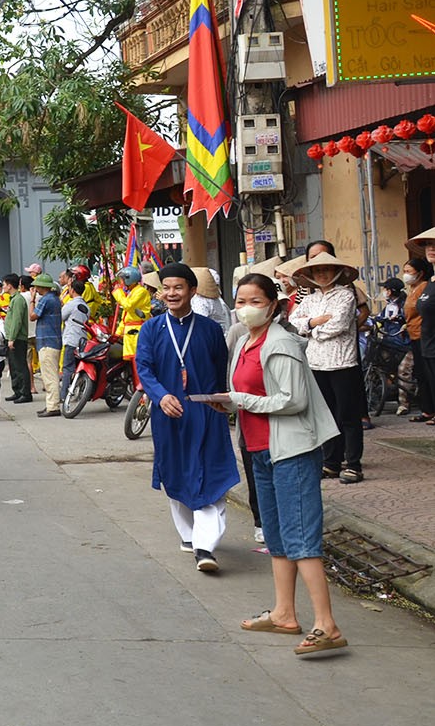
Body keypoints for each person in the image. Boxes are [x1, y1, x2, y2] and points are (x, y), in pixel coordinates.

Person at [221, 273, 348, 657]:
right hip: (260, 449)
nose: (246, 307)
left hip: (290, 450)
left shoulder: (282, 344)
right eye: (241, 299)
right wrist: (226, 401)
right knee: (275, 535)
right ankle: (284, 613)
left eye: (255, 300)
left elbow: (293, 400)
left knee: (301, 537)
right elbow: (246, 393)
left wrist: (241, 400)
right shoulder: (243, 341)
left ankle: (327, 624)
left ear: (273, 305)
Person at [134, 262, 238, 573]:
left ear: (192, 291)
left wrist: (220, 402)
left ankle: (205, 547)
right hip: (169, 414)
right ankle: (190, 536)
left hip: (205, 413)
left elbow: (221, 369)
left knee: (210, 476)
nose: (171, 293)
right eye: (166, 288)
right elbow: (145, 368)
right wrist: (161, 396)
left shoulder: (208, 329)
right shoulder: (151, 329)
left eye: (178, 287)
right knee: (176, 473)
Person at [289, 252, 366, 482]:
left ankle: (353, 464)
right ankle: (331, 463)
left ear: (337, 272)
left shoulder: (346, 295)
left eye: (327, 269)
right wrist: (314, 323)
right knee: (326, 416)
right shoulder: (310, 299)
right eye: (317, 270)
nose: (322, 274)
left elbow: (339, 324)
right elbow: (294, 322)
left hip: (343, 363)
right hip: (316, 364)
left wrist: (311, 329)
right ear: (311, 275)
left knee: (349, 416)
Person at [404, 257, 435, 422]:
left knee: (429, 374)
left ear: (420, 273)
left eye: (409, 272)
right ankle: (427, 410)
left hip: (424, 335)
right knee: (421, 375)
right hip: (414, 335)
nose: (406, 275)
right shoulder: (411, 290)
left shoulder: (425, 287)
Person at [31, 272, 62, 416]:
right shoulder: (55, 299)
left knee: (49, 376)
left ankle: (53, 406)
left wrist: (32, 301)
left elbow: (33, 316)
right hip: (53, 340)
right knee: (50, 374)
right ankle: (51, 404)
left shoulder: (45, 299)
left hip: (46, 342)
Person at [59, 279, 91, 406]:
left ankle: (64, 395)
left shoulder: (71, 304)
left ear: (72, 290)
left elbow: (61, 316)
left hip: (71, 339)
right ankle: (78, 393)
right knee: (78, 368)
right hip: (82, 340)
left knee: (67, 368)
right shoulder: (86, 306)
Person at [3, 273, 32, 404]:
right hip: (11, 337)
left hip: (17, 338)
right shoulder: (13, 299)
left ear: (9, 285)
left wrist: (12, 338)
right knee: (13, 366)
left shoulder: (18, 300)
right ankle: (17, 391)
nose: (3, 287)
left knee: (20, 365)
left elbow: (17, 321)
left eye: (4, 284)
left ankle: (26, 393)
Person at [113, 267, 153, 361]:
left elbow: (128, 306)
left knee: (136, 360)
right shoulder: (132, 292)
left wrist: (118, 293)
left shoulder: (141, 291)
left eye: (122, 279)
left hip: (136, 330)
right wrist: (118, 333)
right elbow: (126, 316)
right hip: (129, 331)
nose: (121, 282)